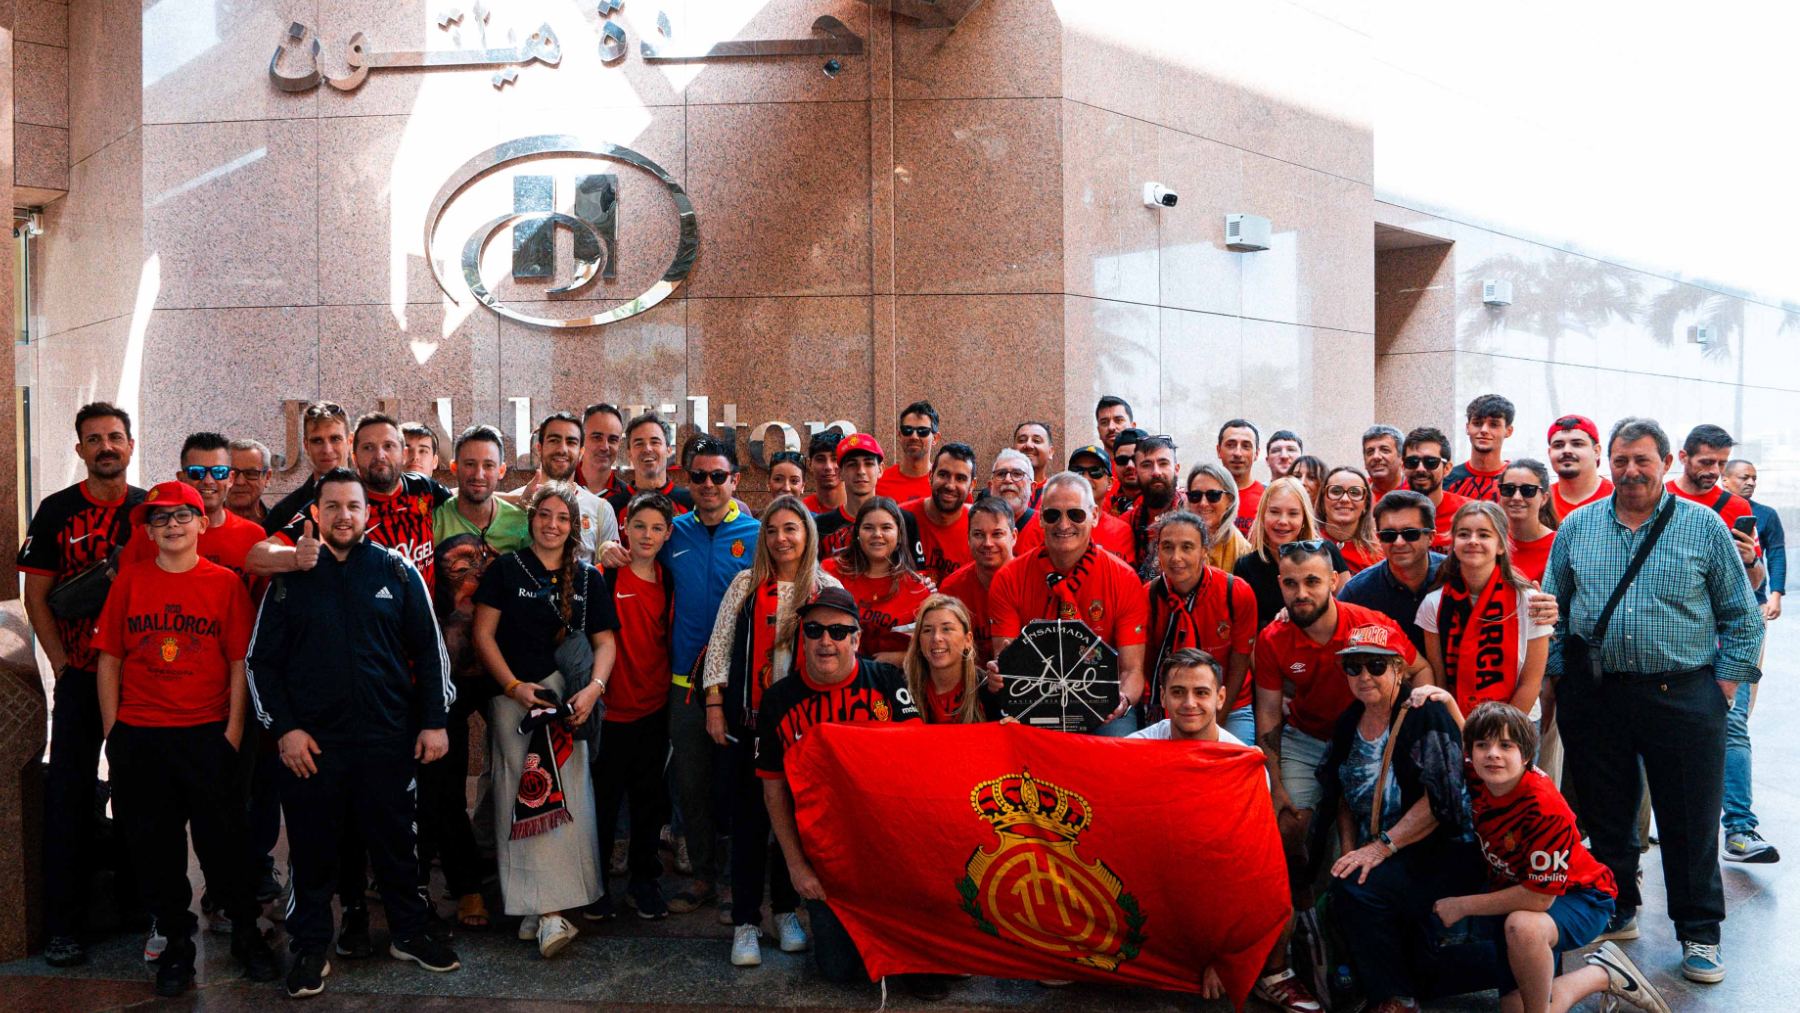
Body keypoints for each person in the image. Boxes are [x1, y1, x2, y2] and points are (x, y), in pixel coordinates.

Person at [1542, 417, 1764, 984]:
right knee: (1609, 815)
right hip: (1599, 696)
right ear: (1607, 463)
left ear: (1666, 463)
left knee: (1689, 819)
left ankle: (1700, 932)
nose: (1631, 471)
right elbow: (1554, 610)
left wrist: (1727, 685)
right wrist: (1563, 679)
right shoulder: (1579, 527)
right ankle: (1617, 909)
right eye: (1621, 460)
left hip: (1686, 694)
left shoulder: (1702, 526)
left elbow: (1741, 613)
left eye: (1642, 460)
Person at [246, 468, 460, 997]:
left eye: (354, 506)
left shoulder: (397, 569)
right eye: (333, 506)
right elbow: (260, 665)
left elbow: (432, 656)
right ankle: (310, 947)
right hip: (312, 748)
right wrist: (285, 731)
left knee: (396, 847)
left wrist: (434, 720)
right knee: (313, 853)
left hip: (388, 739)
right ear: (315, 514)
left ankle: (408, 933)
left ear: (368, 513)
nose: (344, 515)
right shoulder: (292, 577)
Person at [95, 482, 280, 995]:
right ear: (148, 531)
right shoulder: (129, 582)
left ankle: (246, 932)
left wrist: (233, 731)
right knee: (156, 849)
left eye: (182, 516)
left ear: (202, 523)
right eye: (160, 519)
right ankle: (177, 942)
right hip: (142, 736)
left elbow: (240, 660)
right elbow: (110, 658)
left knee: (226, 846)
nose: (171, 525)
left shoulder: (223, 583)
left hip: (206, 734)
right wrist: (115, 731)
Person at [1415, 697, 1671, 1013]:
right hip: (1523, 891)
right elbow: (1474, 735)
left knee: (1523, 926)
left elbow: (1539, 899)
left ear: (1526, 756)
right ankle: (1605, 972)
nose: (1493, 754)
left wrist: (1462, 906)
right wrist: (1449, 702)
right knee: (1512, 1007)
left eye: (1506, 746)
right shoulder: (1481, 774)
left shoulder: (1544, 808)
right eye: (1484, 746)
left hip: (1582, 897)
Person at [1250, 544, 1421, 1013]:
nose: (1300, 592)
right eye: (1290, 583)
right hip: (1307, 738)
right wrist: (1278, 785)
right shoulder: (1273, 638)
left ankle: (1383, 944)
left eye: (1311, 581)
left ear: (1334, 581)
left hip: (1368, 732)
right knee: (1290, 825)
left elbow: (1418, 669)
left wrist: (1423, 703)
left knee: (1377, 834)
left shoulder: (1368, 622)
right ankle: (1304, 923)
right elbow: (1267, 716)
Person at [20, 401, 146, 967]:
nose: (105, 447)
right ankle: (64, 927)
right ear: (80, 450)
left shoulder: (151, 511)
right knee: (68, 798)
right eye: (94, 439)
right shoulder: (55, 512)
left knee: (143, 796)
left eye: (114, 437)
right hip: (80, 678)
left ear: (130, 445)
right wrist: (62, 664)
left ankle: (142, 908)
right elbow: (37, 598)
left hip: (143, 684)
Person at [471, 482, 616, 955]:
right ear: (531, 519)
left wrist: (594, 690)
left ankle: (550, 910)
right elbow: (483, 635)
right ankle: (536, 906)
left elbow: (605, 644)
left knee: (567, 806)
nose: (552, 525)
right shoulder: (505, 570)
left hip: (568, 704)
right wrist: (513, 687)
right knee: (521, 799)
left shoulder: (589, 578)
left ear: (574, 526)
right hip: (515, 702)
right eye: (544, 515)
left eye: (562, 518)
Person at [703, 496, 842, 966]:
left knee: (796, 827)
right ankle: (745, 921)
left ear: (807, 534)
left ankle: (785, 911)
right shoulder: (745, 584)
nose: (782, 538)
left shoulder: (824, 587)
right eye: (773, 530)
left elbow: (843, 656)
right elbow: (719, 645)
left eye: (792, 528)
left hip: (804, 732)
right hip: (748, 725)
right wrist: (715, 704)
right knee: (748, 824)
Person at [758, 587, 922, 986]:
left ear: (856, 638)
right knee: (840, 972)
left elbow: (918, 764)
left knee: (918, 972)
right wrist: (797, 867)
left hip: (888, 849)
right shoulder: (779, 699)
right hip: (826, 857)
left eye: (837, 631)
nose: (825, 641)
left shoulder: (886, 681)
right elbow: (774, 790)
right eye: (814, 630)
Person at [1315, 628, 1475, 1013]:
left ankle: (1396, 998)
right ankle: (1373, 983)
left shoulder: (1424, 714)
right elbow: (1341, 797)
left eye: (1376, 665)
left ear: (1400, 671)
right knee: (1341, 886)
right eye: (1354, 667)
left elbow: (1439, 801)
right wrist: (1351, 851)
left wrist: (1380, 848)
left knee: (1359, 890)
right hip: (1383, 846)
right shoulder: (1349, 720)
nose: (1364, 676)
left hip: (1436, 849)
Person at [424, 425, 530, 931]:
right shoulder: (432, 518)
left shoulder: (522, 523)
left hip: (505, 667)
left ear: (502, 471)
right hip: (447, 671)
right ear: (453, 469)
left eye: (489, 465)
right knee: (443, 781)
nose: (479, 474)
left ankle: (525, 877)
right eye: (469, 464)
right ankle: (466, 887)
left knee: (520, 766)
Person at [662, 438, 759, 919]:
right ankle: (702, 874)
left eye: (717, 476)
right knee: (691, 785)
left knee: (735, 787)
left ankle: (732, 882)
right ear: (687, 480)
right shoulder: (672, 533)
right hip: (684, 685)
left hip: (737, 686)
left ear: (735, 480)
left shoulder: (759, 534)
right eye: (698, 476)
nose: (707, 485)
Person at [986, 472, 1148, 735]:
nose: (1063, 525)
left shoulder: (1124, 579)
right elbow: (1007, 663)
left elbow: (1132, 670)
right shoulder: (1009, 579)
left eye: (1076, 514)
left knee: (1117, 754)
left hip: (1102, 707)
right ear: (1040, 518)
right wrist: (999, 672)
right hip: (1034, 702)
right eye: (1052, 515)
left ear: (1094, 515)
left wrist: (1123, 699)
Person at [590, 492, 678, 921]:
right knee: (603, 805)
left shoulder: (669, 579)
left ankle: (644, 883)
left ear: (667, 534)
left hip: (653, 708)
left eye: (656, 528)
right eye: (639, 525)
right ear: (625, 526)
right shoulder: (606, 575)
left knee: (648, 802)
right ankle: (595, 886)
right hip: (610, 710)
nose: (647, 535)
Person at [250, 412, 452, 591]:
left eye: (388, 446)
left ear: (404, 454)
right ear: (354, 457)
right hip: (370, 628)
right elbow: (256, 557)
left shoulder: (424, 487)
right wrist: (296, 557)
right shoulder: (337, 503)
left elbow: (462, 504)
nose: (379, 455)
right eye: (368, 447)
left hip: (423, 623)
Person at [1417, 501, 1550, 720]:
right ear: (1453, 543)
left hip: (1519, 722)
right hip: (1457, 720)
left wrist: (1501, 733)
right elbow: (1440, 681)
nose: (1473, 541)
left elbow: (1531, 682)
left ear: (1500, 546)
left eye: (1484, 535)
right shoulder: (1433, 604)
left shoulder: (1529, 601)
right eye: (1463, 534)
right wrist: (1460, 729)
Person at [1144, 512, 1257, 743]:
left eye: (1187, 547)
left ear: (1205, 551)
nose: (1176, 557)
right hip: (1172, 704)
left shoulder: (1236, 592)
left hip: (1230, 704)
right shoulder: (1149, 596)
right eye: (1167, 547)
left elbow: (1240, 662)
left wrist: (1218, 717)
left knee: (1236, 767)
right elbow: (1147, 662)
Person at [1720, 457, 1782, 863]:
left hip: (1742, 622)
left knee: (1735, 721)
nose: (1751, 484)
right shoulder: (1673, 505)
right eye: (1744, 477)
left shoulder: (1761, 515)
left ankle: (1740, 827)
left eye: (1755, 478)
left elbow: (1770, 557)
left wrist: (1773, 590)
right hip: (1682, 635)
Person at [121, 432, 266, 580]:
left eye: (219, 472)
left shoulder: (254, 536)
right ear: (181, 478)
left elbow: (264, 600)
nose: (208, 480)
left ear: (230, 478)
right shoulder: (152, 534)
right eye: (197, 472)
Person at [823, 498, 935, 664]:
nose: (877, 534)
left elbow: (931, 649)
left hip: (890, 683)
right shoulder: (830, 572)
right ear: (858, 534)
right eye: (868, 528)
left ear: (899, 536)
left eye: (886, 527)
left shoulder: (917, 589)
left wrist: (901, 658)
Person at [1233, 477, 1349, 631]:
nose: (1283, 521)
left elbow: (1349, 605)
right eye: (1274, 512)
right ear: (1262, 515)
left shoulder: (1327, 550)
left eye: (1293, 514)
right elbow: (1244, 629)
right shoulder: (1246, 566)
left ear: (1303, 519)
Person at [506, 411, 621, 564]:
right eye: (554, 440)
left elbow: (605, 575)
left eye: (571, 442)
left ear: (581, 452)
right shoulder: (511, 503)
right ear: (539, 448)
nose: (562, 449)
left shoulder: (601, 510)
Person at [1341, 491, 1445, 654]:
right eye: (1388, 535)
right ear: (1378, 538)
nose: (1399, 542)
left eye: (1410, 534)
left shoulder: (1455, 575)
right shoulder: (1356, 593)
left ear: (1431, 537)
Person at [1666, 423, 1765, 589]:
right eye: (1706, 462)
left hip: (1713, 611)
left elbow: (1754, 584)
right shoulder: (1659, 497)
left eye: (1721, 464)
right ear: (1683, 457)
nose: (1715, 471)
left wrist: (1750, 559)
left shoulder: (1738, 507)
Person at [939, 494, 1018, 665]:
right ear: (968, 538)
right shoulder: (952, 589)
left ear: (1014, 536)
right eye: (978, 534)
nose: (988, 543)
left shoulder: (1034, 580)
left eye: (997, 534)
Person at [1020, 445, 1135, 562]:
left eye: (1095, 471)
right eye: (1077, 471)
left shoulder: (1122, 531)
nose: (1085, 477)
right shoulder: (1044, 524)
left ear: (1110, 483)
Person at [264, 400, 349, 535]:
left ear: (349, 442)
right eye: (317, 441)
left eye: (335, 439)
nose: (327, 450)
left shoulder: (374, 501)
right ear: (306, 445)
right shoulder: (284, 513)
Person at [904, 595, 992, 723]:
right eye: (927, 630)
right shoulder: (902, 689)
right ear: (918, 641)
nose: (936, 638)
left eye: (946, 629)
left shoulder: (988, 690)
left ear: (968, 640)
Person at [903, 442, 976, 584]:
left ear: (972, 485)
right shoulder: (901, 519)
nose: (950, 485)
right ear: (930, 476)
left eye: (960, 478)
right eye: (943, 475)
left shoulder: (980, 528)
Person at [817, 432, 898, 557]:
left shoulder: (899, 520)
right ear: (840, 473)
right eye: (852, 464)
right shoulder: (821, 525)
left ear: (880, 469)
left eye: (868, 463)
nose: (861, 471)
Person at [605, 412, 697, 518]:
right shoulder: (611, 508)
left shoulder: (691, 503)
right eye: (639, 443)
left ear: (669, 450)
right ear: (629, 453)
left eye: (655, 442)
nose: (647, 449)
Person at [1121, 435, 1183, 577]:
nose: (1156, 472)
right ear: (1136, 472)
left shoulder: (1195, 516)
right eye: (1146, 465)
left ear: (1177, 469)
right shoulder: (1126, 523)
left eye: (1163, 463)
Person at [1402, 427, 1469, 550]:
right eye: (1412, 461)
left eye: (1430, 461)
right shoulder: (1390, 513)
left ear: (1447, 468)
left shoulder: (1469, 513)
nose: (1420, 468)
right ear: (1403, 467)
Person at [1444, 394, 1514, 500]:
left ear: (1508, 431)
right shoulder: (1447, 479)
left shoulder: (1520, 482)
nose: (1484, 430)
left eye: (1494, 424)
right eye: (1477, 423)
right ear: (1467, 428)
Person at [1498, 459, 1558, 584]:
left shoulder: (1560, 546)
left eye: (1527, 490)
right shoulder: (1490, 541)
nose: (1516, 497)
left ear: (1544, 498)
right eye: (1508, 489)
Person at [1187, 462, 1252, 572]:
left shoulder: (1243, 552)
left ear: (1230, 500)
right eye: (1195, 495)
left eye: (1213, 495)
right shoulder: (1174, 539)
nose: (1203, 503)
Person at [1317, 465, 1382, 573]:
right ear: (1323, 500)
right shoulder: (1307, 543)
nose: (1345, 499)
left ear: (1366, 504)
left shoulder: (1380, 554)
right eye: (1336, 491)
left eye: (1355, 493)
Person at [1546, 415, 1611, 519]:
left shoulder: (1618, 499)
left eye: (1577, 444)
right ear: (1549, 453)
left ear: (1596, 451)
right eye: (1558, 445)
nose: (1567, 450)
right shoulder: (1540, 501)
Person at [875, 400, 939, 504]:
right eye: (907, 430)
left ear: (935, 438)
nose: (914, 436)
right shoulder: (879, 483)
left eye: (922, 431)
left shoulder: (947, 485)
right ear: (900, 435)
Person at [1217, 419, 1263, 533]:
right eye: (1231, 445)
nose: (1238, 453)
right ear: (1219, 450)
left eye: (1246, 446)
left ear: (1256, 454)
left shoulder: (1267, 498)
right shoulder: (1203, 498)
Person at [576, 403, 628, 501]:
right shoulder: (562, 490)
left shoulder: (628, 500)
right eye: (597, 437)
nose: (605, 447)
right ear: (581, 439)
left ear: (619, 444)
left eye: (612, 439)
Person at [226, 437, 274, 524]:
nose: (240, 482)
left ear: (267, 477)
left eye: (250, 473)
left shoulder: (282, 527)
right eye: (232, 473)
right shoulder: (200, 527)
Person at [986, 448, 1037, 530]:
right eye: (1001, 474)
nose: (1007, 479)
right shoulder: (977, 525)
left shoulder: (1046, 528)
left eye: (1017, 474)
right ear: (990, 487)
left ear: (1032, 488)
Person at [802, 430, 845, 514]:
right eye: (820, 459)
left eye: (835, 459)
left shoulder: (860, 508)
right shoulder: (802, 512)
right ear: (810, 464)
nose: (828, 467)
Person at [1012, 421, 1055, 503]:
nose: (1028, 445)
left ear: (1050, 452)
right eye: (1022, 440)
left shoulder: (1059, 494)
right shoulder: (994, 493)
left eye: (1036, 441)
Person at [1108, 426, 1147, 515]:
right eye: (1122, 460)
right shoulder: (1107, 504)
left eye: (1136, 458)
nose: (1130, 465)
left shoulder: (1169, 502)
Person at [1363, 424, 1406, 500]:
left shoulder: (1418, 489)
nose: (1376, 456)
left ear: (1402, 458)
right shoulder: (1358, 492)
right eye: (1370, 452)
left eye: (1385, 450)